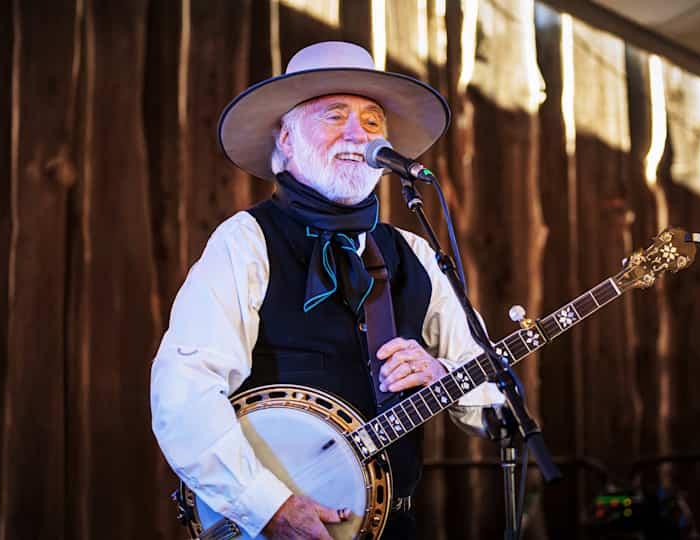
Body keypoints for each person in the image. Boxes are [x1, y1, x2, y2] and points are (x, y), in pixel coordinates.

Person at [151, 41, 505, 539]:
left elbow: (499, 402)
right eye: (335, 116)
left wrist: (442, 372)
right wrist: (268, 507)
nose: (358, 133)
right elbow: (182, 394)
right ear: (287, 141)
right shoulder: (247, 242)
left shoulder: (417, 255)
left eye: (373, 121)